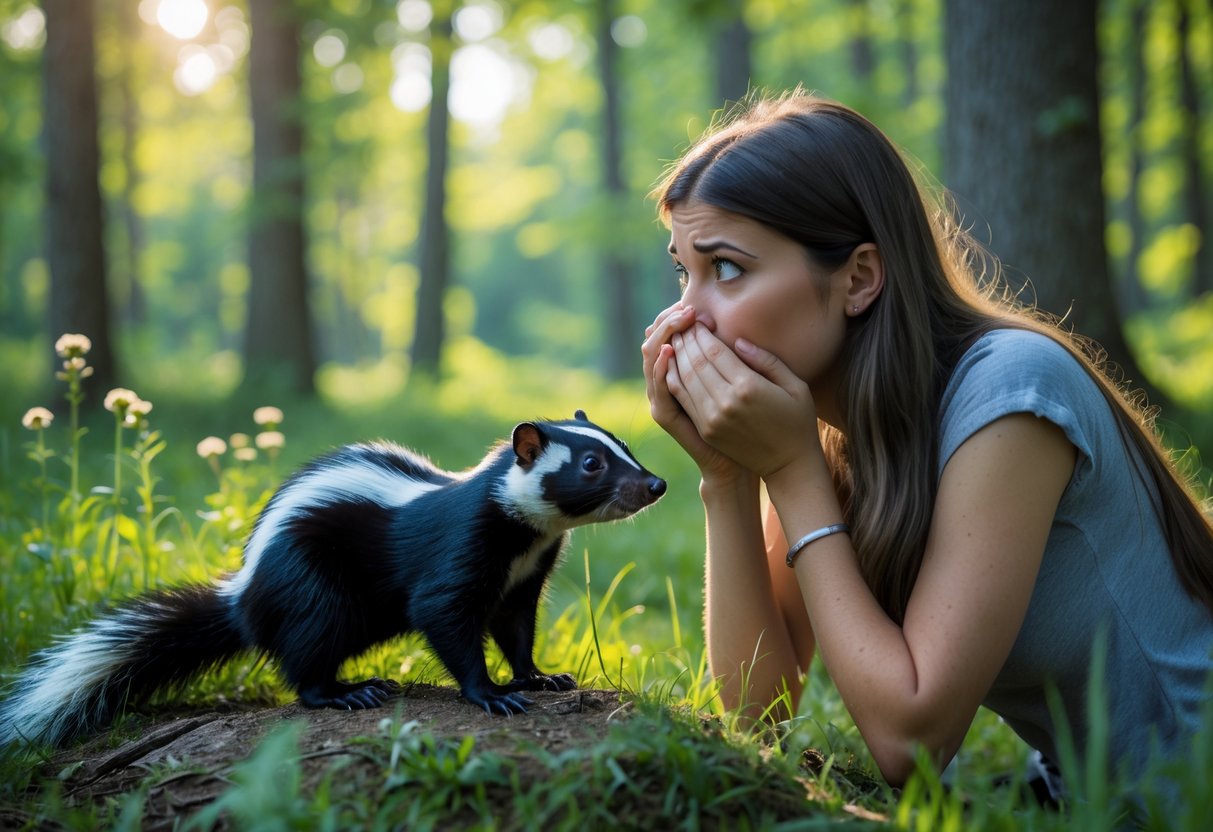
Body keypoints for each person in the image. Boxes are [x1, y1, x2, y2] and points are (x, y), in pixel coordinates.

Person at [640, 90, 1213, 793]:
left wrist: (789, 471)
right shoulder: (824, 431)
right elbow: (759, 716)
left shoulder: (1008, 393)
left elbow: (910, 743)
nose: (684, 316)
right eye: (681, 271)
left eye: (726, 268)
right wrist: (726, 477)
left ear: (857, 279)